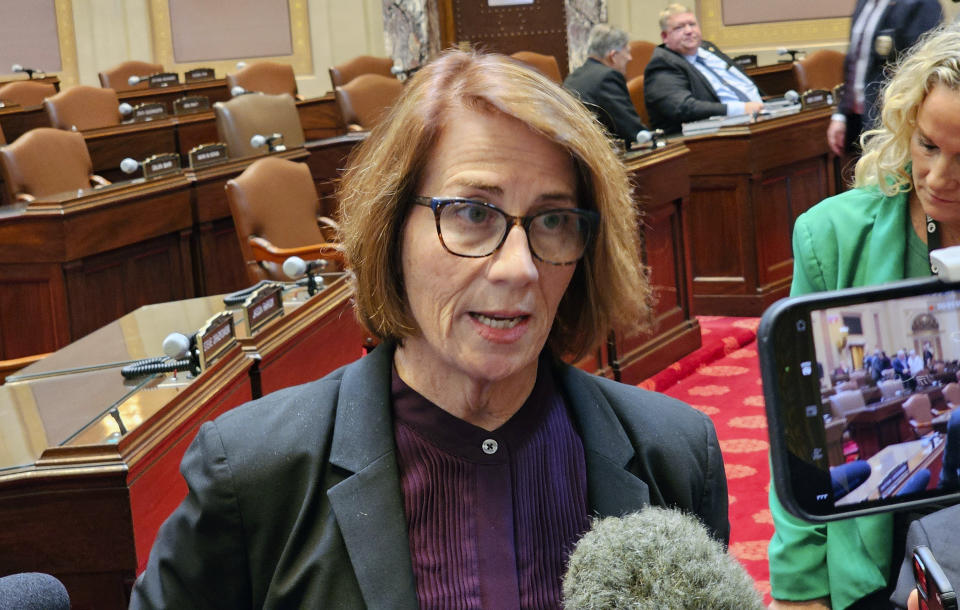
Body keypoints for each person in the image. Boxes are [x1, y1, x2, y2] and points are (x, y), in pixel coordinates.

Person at [130, 49, 729, 608]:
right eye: (472, 213)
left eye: (552, 220)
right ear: (392, 232)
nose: (519, 267)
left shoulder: (673, 454)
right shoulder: (253, 472)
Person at [769, 24, 960, 610]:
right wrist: (799, 590)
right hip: (879, 551)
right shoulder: (830, 236)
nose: (938, 179)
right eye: (929, 145)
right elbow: (803, 441)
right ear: (907, 127)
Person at [827, 0, 941, 161]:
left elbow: (919, 67)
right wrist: (840, 115)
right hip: (858, 119)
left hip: (891, 121)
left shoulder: (921, 3)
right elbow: (854, 63)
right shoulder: (864, 3)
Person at [643, 3, 764, 134]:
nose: (689, 31)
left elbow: (745, 85)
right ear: (665, 36)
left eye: (692, 24)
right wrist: (740, 109)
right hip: (712, 136)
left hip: (759, 117)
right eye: (679, 27)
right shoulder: (662, 64)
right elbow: (683, 108)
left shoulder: (707, 48)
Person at [563, 24, 650, 148]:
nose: (630, 58)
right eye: (627, 52)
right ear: (613, 56)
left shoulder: (573, 76)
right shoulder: (608, 77)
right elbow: (631, 131)